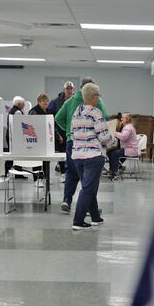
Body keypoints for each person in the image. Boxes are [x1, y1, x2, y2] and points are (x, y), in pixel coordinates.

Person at [54, 77, 108, 213]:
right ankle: (90, 208)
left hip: (71, 141)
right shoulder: (96, 101)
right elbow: (105, 116)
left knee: (71, 173)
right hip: (89, 144)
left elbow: (57, 118)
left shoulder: (69, 101)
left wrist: (69, 130)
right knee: (89, 177)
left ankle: (67, 200)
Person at [70, 83, 112, 230]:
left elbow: (72, 132)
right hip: (93, 156)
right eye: (98, 96)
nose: (99, 99)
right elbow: (104, 137)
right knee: (88, 188)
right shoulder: (96, 112)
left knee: (90, 187)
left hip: (77, 156)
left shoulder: (77, 111)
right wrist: (111, 140)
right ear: (94, 97)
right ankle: (78, 220)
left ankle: (95, 217)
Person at [48, 81, 75, 172]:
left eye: (71, 88)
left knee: (71, 150)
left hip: (73, 131)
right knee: (62, 151)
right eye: (67, 88)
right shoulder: (55, 102)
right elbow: (50, 116)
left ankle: (69, 169)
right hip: (60, 131)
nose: (69, 90)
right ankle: (63, 170)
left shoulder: (76, 101)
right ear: (64, 90)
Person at [107, 112, 139, 177]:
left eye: (122, 118)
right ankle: (113, 169)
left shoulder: (128, 128)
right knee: (112, 152)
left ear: (126, 119)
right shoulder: (128, 126)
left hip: (130, 150)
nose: (121, 119)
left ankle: (114, 172)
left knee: (114, 154)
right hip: (128, 149)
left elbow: (123, 137)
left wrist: (114, 132)